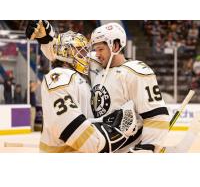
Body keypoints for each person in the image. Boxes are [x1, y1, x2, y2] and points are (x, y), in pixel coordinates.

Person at [26, 21, 137, 153]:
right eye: (80, 51)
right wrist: (115, 138)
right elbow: (71, 129)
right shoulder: (58, 78)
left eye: (85, 51)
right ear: (65, 52)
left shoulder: (80, 77)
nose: (85, 56)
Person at [90, 22, 170, 153]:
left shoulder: (136, 72)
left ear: (115, 46)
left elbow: (156, 116)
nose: (97, 54)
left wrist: (148, 148)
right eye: (95, 50)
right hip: (104, 147)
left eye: (100, 49)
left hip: (129, 149)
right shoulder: (99, 72)